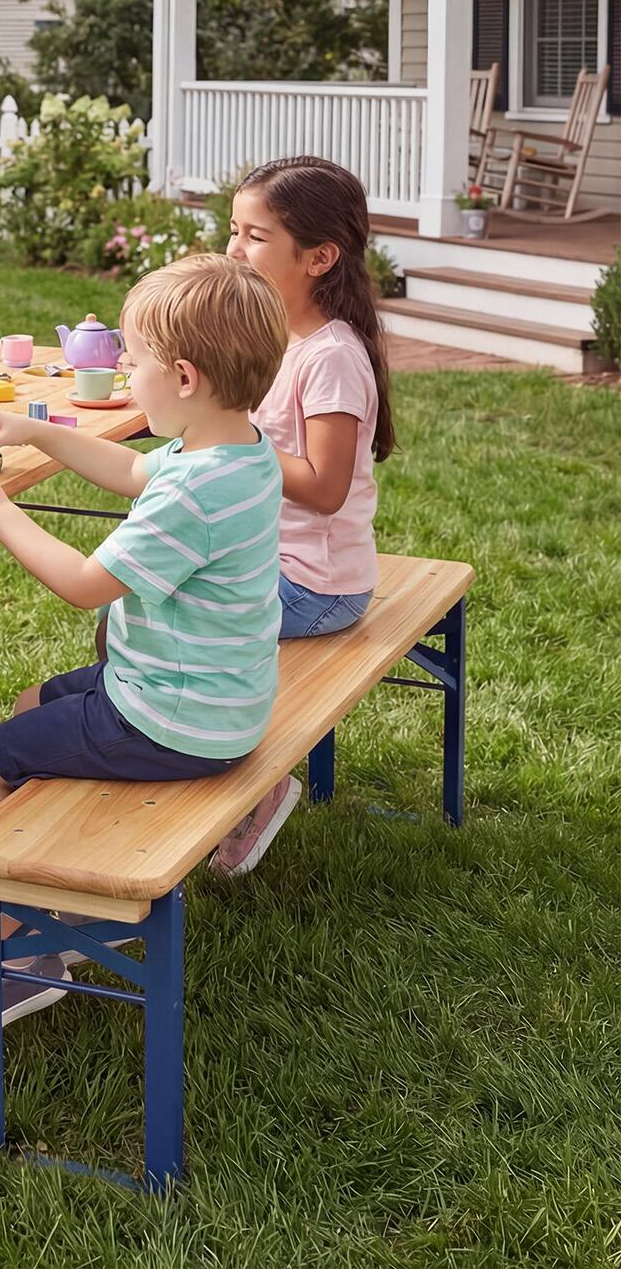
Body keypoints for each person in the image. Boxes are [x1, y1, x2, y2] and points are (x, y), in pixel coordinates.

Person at [0, 254, 288, 1041]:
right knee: (30, 708)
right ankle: (67, 903)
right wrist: (36, 431)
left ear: (184, 376)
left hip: (173, 719)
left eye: (133, 357)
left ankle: (19, 960)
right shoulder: (235, 448)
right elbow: (130, 468)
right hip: (206, 693)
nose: (122, 366)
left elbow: (86, 584)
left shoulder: (194, 493)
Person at [214, 155, 394, 874]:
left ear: (319, 257)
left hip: (317, 583)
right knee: (138, 604)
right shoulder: (271, 337)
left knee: (145, 613)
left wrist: (233, 440)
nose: (234, 249)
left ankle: (256, 781)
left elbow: (323, 487)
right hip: (269, 560)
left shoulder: (331, 359)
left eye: (254, 236)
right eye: (233, 229)